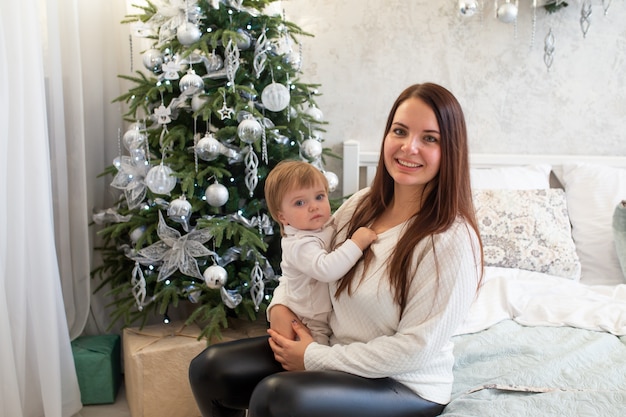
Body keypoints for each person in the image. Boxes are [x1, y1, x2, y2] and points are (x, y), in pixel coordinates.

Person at [189, 82, 484, 417]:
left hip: (404, 384)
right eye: (399, 131)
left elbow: (416, 349)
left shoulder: (451, 239)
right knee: (210, 369)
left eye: (429, 138)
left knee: (276, 398)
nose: (409, 147)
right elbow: (307, 260)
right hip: (333, 352)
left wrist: (314, 357)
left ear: (451, 150)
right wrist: (281, 306)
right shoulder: (362, 204)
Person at [263, 160, 377, 343]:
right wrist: (356, 243)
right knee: (309, 361)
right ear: (282, 216)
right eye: (300, 202)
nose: (314, 206)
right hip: (306, 319)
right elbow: (326, 269)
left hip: (323, 315)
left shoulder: (321, 226)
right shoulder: (299, 244)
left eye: (319, 197)